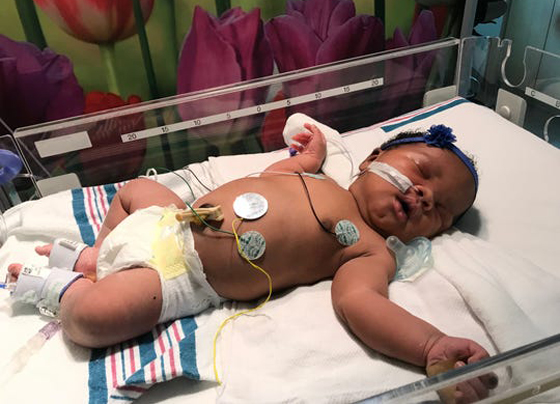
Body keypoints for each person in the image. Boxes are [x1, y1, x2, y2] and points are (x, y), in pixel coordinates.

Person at [8, 123, 495, 401]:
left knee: (95, 319)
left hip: (180, 275)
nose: (425, 195)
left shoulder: (369, 250)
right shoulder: (318, 177)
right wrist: (309, 157)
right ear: (372, 159)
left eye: (442, 211)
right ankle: (98, 257)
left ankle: (63, 289)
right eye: (422, 171)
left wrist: (430, 345)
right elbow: (273, 173)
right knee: (135, 189)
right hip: (171, 218)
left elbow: (360, 302)